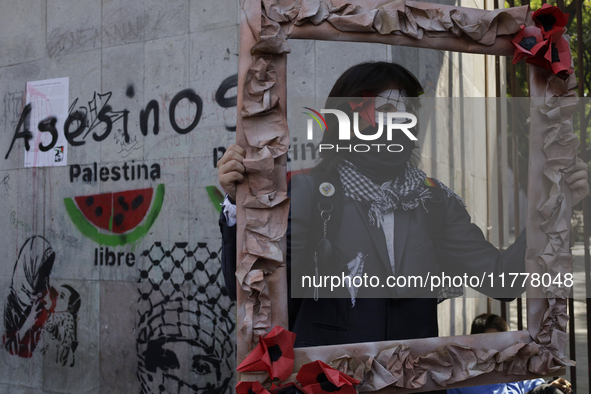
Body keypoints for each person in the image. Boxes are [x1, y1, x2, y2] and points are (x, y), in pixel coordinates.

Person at [217, 61, 588, 389]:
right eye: (387, 110)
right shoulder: (311, 193)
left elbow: (501, 281)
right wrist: (239, 203)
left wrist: (553, 206)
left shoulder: (435, 202)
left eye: (409, 112)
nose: (401, 123)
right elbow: (252, 291)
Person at [447, 314, 573, 394]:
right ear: (475, 343)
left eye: (503, 342)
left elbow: (532, 384)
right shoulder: (466, 372)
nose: (498, 349)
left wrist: (549, 386)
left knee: (559, 390)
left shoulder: (509, 363)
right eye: (492, 342)